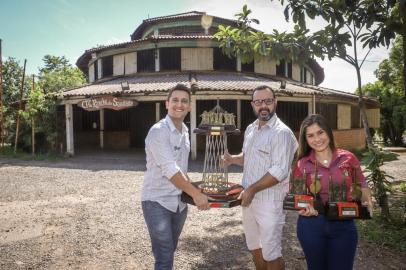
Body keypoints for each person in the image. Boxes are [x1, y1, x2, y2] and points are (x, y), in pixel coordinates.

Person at [223, 85, 298, 270]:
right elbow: (249, 158)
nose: (263, 106)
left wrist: (252, 189)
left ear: (275, 103)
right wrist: (232, 159)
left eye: (268, 101)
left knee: (271, 253)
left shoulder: (282, 133)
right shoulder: (251, 129)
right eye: (258, 102)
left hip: (270, 203)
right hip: (249, 200)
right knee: (254, 247)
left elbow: (279, 171)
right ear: (253, 104)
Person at [141, 83, 210, 270]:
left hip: (179, 203)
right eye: (175, 100)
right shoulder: (158, 131)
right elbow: (170, 170)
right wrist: (195, 194)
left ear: (189, 106)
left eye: (184, 101)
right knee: (164, 255)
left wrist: (194, 187)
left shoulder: (185, 132)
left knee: (170, 250)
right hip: (157, 202)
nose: (179, 104)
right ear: (167, 103)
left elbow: (181, 169)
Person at [293, 114, 373, 270]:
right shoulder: (302, 163)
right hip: (311, 225)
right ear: (306, 139)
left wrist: (367, 199)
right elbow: (297, 195)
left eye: (320, 132)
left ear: (328, 132)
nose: (317, 139)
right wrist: (302, 208)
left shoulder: (348, 158)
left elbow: (361, 184)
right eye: (310, 135)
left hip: (344, 225)